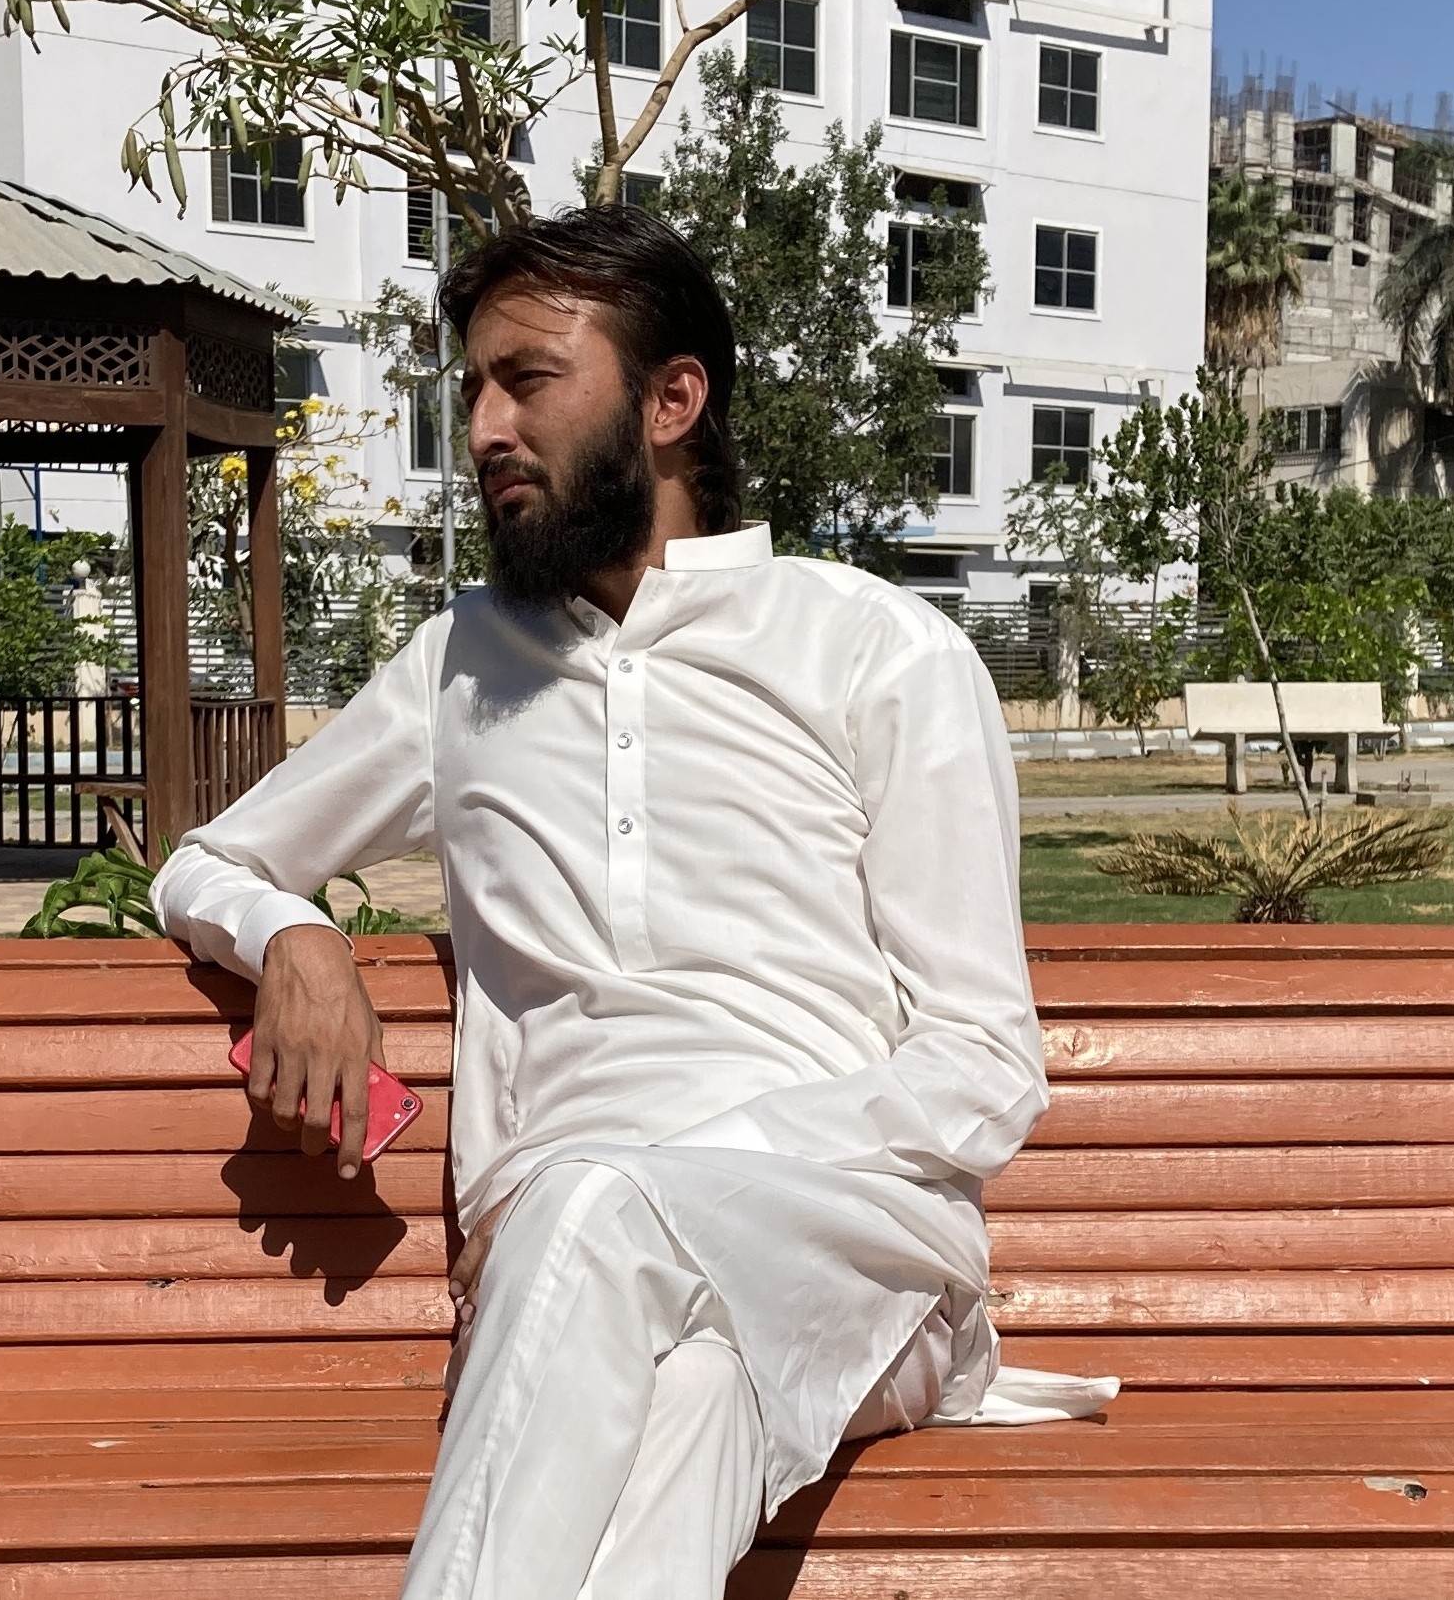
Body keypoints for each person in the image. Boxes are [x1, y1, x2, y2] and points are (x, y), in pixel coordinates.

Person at [153, 207, 1082, 1600]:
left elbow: (983, 1066)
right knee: (694, 1396)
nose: (483, 428)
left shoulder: (875, 649)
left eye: (528, 381)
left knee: (598, 1202)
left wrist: (670, 1164)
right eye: (473, 387)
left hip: (857, 1244)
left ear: (671, 401)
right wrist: (292, 930)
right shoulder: (460, 665)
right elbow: (204, 863)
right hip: (574, 1292)